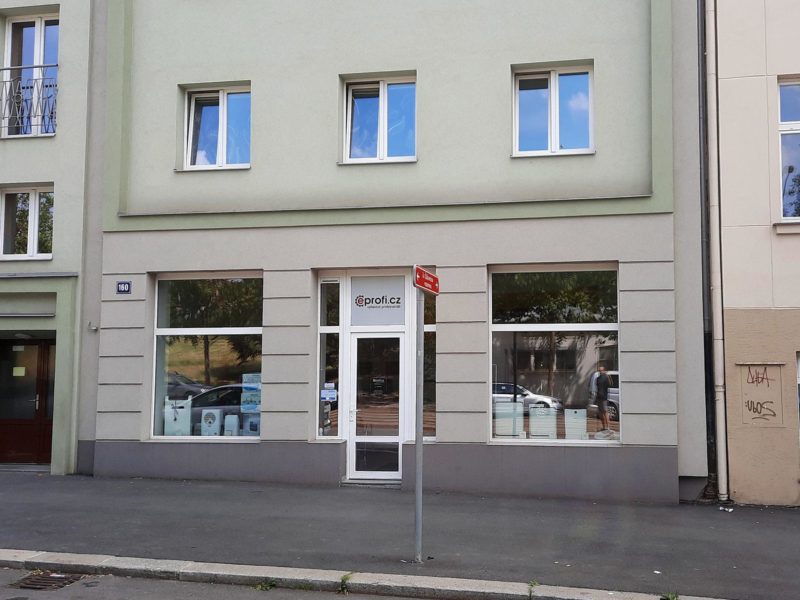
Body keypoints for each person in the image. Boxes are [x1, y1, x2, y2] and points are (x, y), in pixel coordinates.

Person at [594, 366, 613, 434]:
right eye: (599, 370)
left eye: (601, 370)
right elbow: (597, 388)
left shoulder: (606, 377)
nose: (600, 371)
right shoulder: (597, 379)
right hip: (599, 397)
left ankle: (608, 427)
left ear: (604, 370)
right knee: (601, 413)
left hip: (604, 397)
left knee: (605, 412)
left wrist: (608, 377)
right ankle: (604, 427)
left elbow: (610, 384)